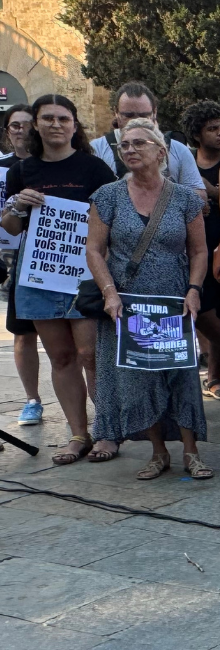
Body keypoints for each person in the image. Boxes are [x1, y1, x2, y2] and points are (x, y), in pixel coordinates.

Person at [81, 118, 212, 479]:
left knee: (181, 374)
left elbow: (199, 251)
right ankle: (158, 453)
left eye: (139, 143)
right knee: (138, 376)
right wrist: (109, 292)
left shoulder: (184, 198)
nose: (130, 149)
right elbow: (94, 250)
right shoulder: (107, 195)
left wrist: (194, 290)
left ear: (161, 152)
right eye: (124, 145)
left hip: (173, 300)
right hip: (126, 302)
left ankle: (191, 451)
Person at [2, 95, 116, 463]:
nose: (55, 124)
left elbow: (113, 218)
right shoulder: (22, 171)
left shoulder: (94, 168)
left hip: (83, 275)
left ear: (74, 124)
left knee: (90, 355)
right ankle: (78, 434)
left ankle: (108, 431)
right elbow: (11, 227)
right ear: (35, 124)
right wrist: (18, 206)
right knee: (61, 357)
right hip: (38, 274)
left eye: (63, 118)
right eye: (47, 118)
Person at [179, 100, 220, 401]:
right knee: (202, 313)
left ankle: (214, 377)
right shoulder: (185, 163)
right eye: (212, 128)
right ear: (197, 134)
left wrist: (212, 192)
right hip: (193, 249)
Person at [1, 105, 45, 427]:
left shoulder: (50, 164)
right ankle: (32, 400)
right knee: (22, 331)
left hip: (51, 256)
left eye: (26, 124)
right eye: (14, 125)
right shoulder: (3, 168)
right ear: (7, 131)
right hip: (13, 256)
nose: (20, 130)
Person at [87, 83, 206, 194]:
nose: (136, 121)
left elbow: (198, 198)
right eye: (128, 115)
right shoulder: (96, 149)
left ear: (154, 112)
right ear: (116, 113)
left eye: (143, 115)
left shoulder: (178, 150)